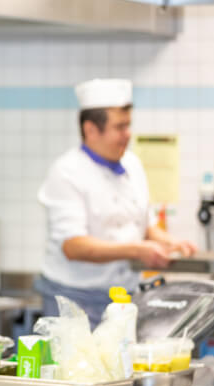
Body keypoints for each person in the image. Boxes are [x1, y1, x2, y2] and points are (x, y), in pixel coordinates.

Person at [35, 78, 197, 327]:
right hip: (75, 300)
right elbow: (73, 246)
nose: (127, 134)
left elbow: (146, 225)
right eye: (119, 127)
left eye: (128, 125)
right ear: (91, 130)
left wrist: (169, 243)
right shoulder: (67, 172)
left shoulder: (132, 164)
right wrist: (137, 250)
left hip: (124, 297)